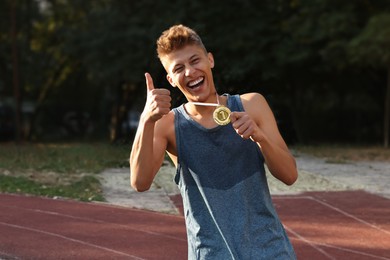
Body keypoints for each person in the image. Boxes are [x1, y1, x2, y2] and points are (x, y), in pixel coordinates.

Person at [130, 24, 298, 259]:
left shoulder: (252, 105)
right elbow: (140, 182)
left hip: (269, 250)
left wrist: (260, 138)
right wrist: (146, 120)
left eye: (195, 61)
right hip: (209, 254)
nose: (189, 72)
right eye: (179, 68)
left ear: (210, 60)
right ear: (170, 79)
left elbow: (290, 175)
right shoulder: (167, 125)